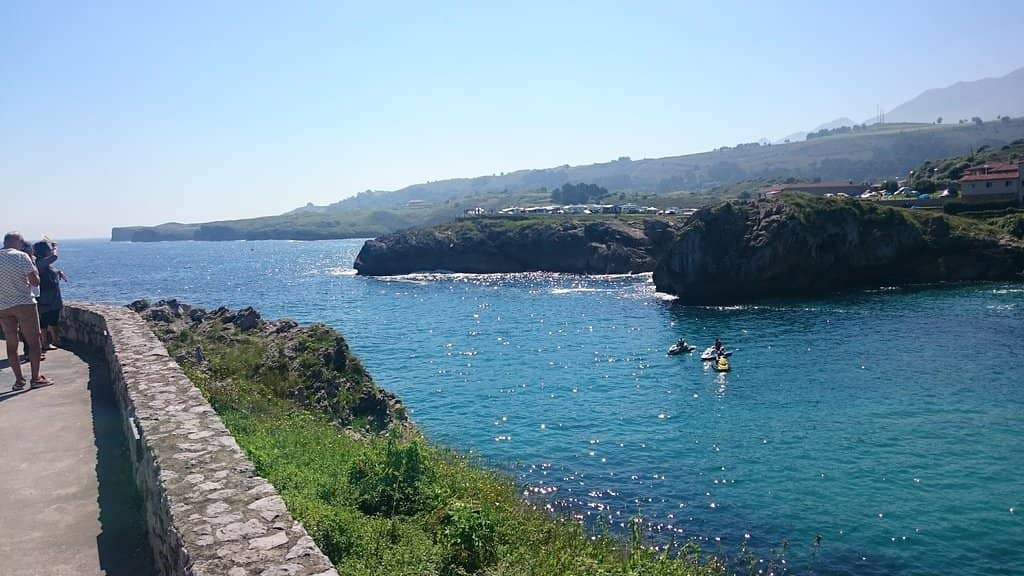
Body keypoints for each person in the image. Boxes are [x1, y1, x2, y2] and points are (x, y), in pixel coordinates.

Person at [0, 231, 52, 389]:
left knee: (11, 342)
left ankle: (19, 380)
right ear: (18, 243)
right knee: (34, 342)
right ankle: (35, 378)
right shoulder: (22, 257)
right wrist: (34, 269)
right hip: (24, 304)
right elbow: (35, 282)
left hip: (3, 306)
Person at [34, 240, 64, 350]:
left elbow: (51, 268)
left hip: (53, 298)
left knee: (54, 320)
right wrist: (55, 247)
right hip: (45, 298)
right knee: (44, 321)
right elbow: (54, 257)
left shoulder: (45, 264)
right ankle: (45, 343)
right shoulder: (39, 262)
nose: (50, 251)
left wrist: (58, 272)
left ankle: (56, 340)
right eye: (48, 249)